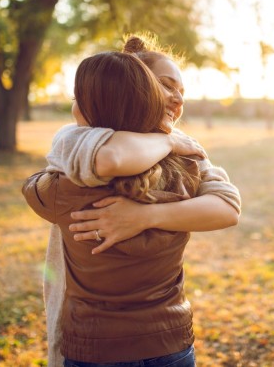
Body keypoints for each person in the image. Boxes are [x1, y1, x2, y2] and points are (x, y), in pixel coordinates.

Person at [23, 36, 241, 366]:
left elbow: (35, 190)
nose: (178, 98)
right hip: (168, 341)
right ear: (134, 87)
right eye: (167, 86)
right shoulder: (187, 165)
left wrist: (144, 216)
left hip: (95, 346)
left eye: (181, 90)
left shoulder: (65, 182)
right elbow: (112, 157)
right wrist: (168, 144)